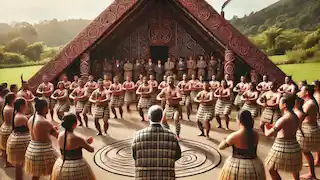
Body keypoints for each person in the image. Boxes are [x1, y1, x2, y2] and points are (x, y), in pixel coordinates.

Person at [132, 105, 181, 179]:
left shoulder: (138, 135)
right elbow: (177, 155)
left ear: (149, 118)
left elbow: (135, 156)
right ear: (162, 118)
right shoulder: (172, 136)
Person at [218, 110, 266, 180]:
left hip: (236, 166)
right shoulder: (256, 134)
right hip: (254, 165)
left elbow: (221, 147)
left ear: (239, 121)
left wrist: (224, 140)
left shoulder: (234, 135)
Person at [264, 95, 302, 180]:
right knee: (294, 169)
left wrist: (266, 127)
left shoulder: (284, 118)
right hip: (294, 145)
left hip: (282, 146)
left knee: (271, 169)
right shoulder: (294, 115)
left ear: (284, 105)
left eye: (280, 102)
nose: (278, 104)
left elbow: (268, 134)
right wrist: (274, 126)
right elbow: (286, 127)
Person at [51, 114, 95, 180]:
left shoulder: (60, 134)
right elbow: (91, 150)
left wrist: (84, 142)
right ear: (75, 124)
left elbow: (70, 145)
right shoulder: (77, 138)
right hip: (76, 166)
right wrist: (86, 143)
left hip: (61, 164)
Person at [24, 98, 59, 180]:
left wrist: (51, 128)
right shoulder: (44, 122)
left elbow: (40, 130)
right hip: (44, 151)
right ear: (44, 108)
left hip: (31, 149)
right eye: (47, 106)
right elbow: (58, 136)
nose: (48, 108)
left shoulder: (31, 118)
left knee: (35, 175)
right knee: (54, 171)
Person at [296, 85, 320, 179]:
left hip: (308, 129)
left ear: (306, 92)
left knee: (306, 151)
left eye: (301, 90)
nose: (300, 92)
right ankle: (311, 173)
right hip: (308, 128)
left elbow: (301, 116)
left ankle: (312, 174)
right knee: (306, 151)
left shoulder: (309, 103)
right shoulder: (309, 101)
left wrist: (295, 108)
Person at [6, 98, 31, 179]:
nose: (27, 106)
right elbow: (30, 128)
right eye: (26, 104)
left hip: (16, 140)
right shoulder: (21, 117)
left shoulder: (16, 114)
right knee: (19, 165)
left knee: (19, 165)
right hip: (20, 143)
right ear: (21, 106)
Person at [0, 93, 15, 167]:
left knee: (5, 146)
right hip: (8, 129)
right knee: (7, 147)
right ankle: (7, 163)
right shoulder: (10, 109)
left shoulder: (6, 107)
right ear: (12, 99)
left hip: (4, 127)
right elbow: (13, 120)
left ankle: (6, 161)